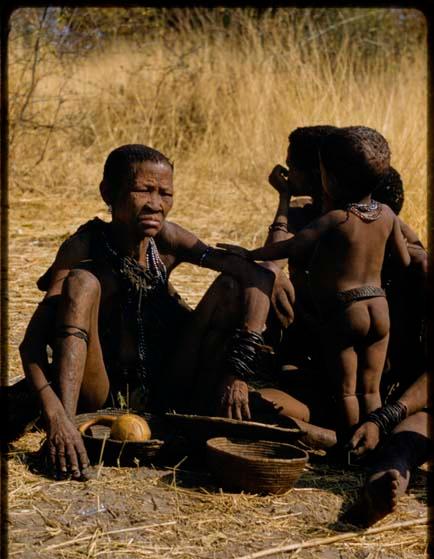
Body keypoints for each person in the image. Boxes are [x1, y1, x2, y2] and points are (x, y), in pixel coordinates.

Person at [17, 144, 275, 479]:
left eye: (165, 193)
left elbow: (256, 275)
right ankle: (70, 434)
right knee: (83, 282)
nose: (156, 204)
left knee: (230, 285)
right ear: (108, 193)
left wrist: (238, 370)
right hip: (99, 393)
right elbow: (31, 345)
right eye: (143, 190)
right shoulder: (84, 246)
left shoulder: (167, 240)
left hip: (167, 387)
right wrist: (57, 420)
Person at [219, 126, 411, 437]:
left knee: (348, 390)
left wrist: (249, 252)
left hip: (345, 310)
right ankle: (375, 436)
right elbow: (404, 264)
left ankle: (349, 445)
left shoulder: (337, 219)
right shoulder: (387, 215)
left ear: (327, 179)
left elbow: (289, 247)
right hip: (378, 306)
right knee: (370, 388)